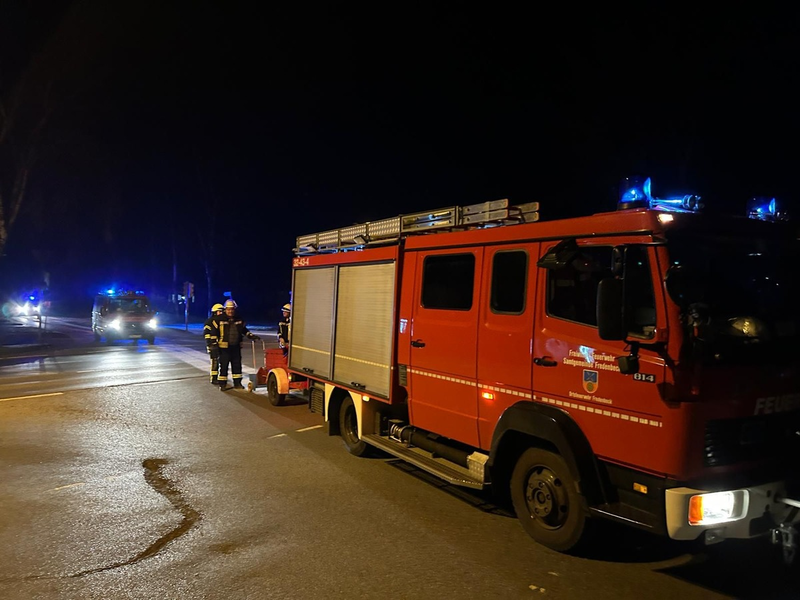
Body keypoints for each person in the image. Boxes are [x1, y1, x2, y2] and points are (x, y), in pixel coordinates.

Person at [212, 299, 260, 390]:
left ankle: (237, 383)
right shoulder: (219, 320)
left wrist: (251, 336)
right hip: (223, 348)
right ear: (225, 309)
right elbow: (214, 333)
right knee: (224, 366)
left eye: (232, 309)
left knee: (237, 365)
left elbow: (243, 330)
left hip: (236, 346)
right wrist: (214, 345)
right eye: (229, 309)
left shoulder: (239, 319)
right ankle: (222, 384)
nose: (230, 311)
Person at [203, 303, 225, 384]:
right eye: (219, 311)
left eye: (222, 311)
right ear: (215, 312)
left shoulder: (222, 321)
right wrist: (210, 343)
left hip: (220, 344)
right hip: (213, 345)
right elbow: (206, 333)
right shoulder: (209, 322)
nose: (221, 313)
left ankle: (220, 377)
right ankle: (214, 378)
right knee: (215, 361)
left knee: (221, 361)